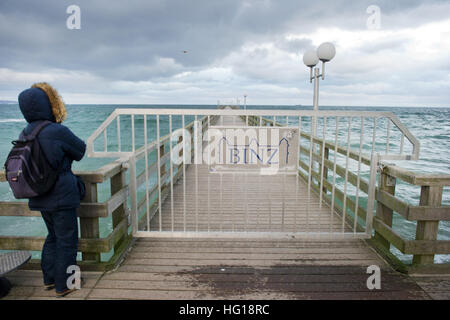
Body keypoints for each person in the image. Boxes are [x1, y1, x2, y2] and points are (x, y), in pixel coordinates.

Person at [17, 82, 86, 297]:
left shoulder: (26, 132)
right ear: (48, 104)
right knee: (67, 239)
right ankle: (64, 284)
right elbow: (80, 150)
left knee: (53, 236)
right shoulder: (56, 130)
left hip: (39, 193)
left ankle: (49, 279)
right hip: (62, 196)